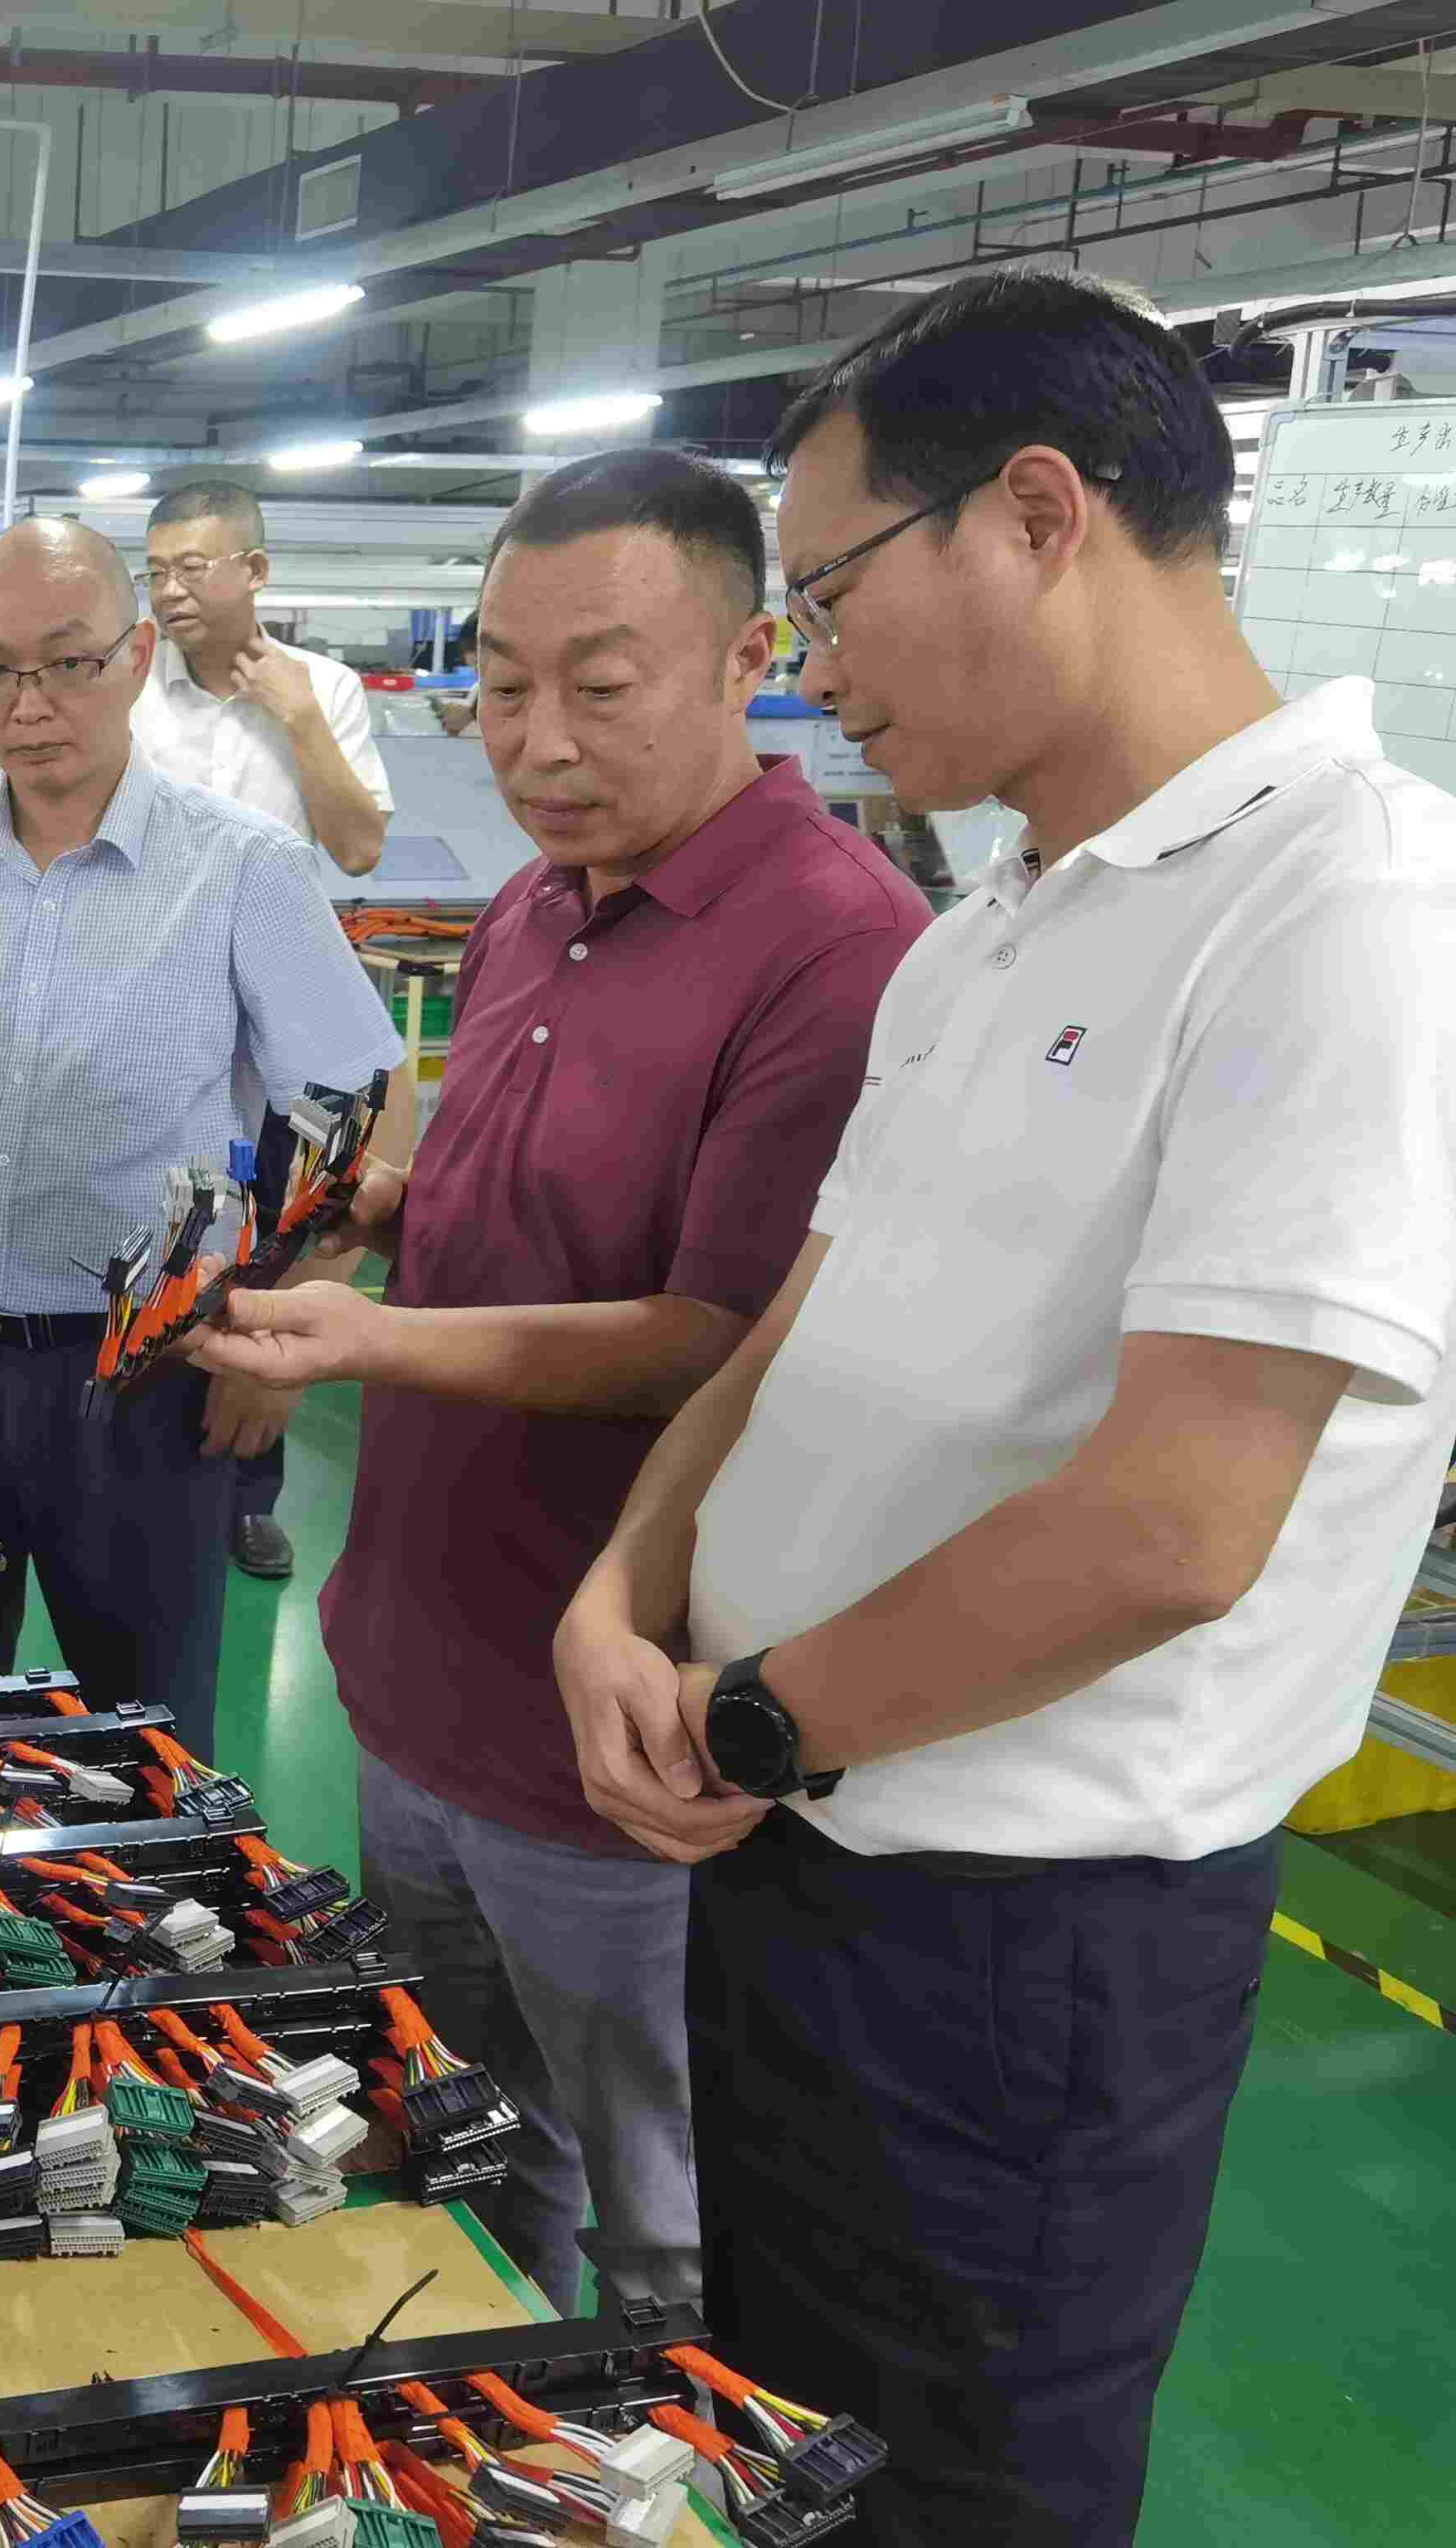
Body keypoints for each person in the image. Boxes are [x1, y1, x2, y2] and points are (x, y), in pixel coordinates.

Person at [553, 272, 1456, 2543]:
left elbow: (1173, 1522)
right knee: (786, 2446)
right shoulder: (986, 924)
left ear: (1038, 514)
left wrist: (756, 1721)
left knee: (956, 2491)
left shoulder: (1350, 907)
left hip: (1023, 1945)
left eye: (833, 588)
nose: (810, 661)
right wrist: (622, 1587)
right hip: (800, 1851)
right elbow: (801, 1322)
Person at [186, 449, 928, 2315]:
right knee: (460, 2144)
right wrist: (375, 1213)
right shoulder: (536, 901)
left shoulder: (839, 954)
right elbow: (504, 1201)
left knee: (657, 2218)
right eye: (501, 686)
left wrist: (366, 1342)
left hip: (605, 1749)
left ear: (751, 657)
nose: (537, 741)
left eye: (598, 686)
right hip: (414, 1680)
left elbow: (723, 1339)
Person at [0, 517, 397, 1758]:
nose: (29, 705)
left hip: (146, 1382)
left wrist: (275, 1338)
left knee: (149, 1742)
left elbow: (361, 1108)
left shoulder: (242, 869)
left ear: (134, 658)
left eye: (67, 662)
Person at [133, 478, 399, 1583]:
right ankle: (151, 1468)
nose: (171, 590)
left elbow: (360, 848)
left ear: (254, 571)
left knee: (276, 1246)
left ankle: (250, 1492)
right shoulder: (130, 690)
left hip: (287, 1027)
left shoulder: (321, 688)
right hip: (161, 1013)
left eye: (193, 567)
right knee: (170, 1236)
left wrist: (296, 720)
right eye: (155, 571)